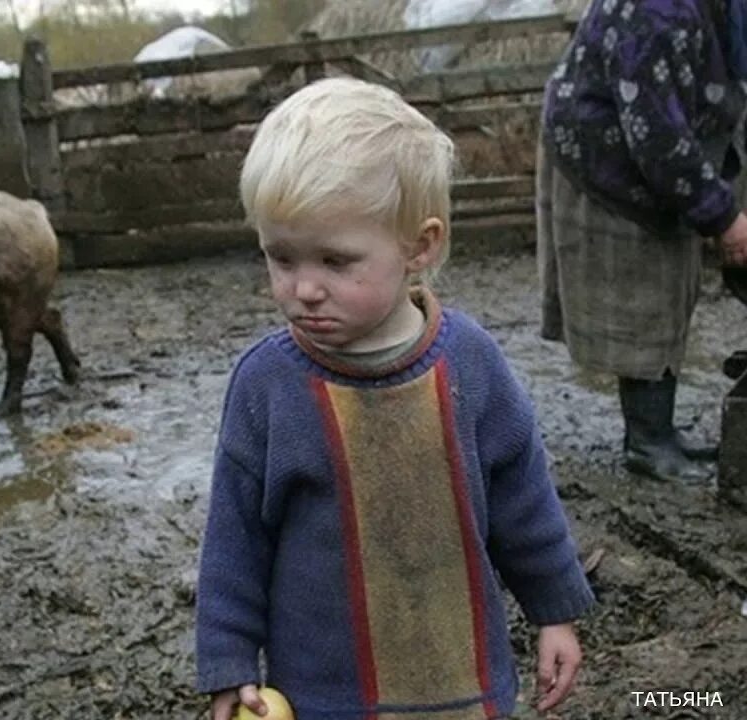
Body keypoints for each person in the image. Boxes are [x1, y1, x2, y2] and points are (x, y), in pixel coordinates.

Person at [194, 78, 596, 720]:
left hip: (462, 676)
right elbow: (235, 539)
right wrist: (228, 663)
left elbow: (525, 499)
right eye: (281, 257)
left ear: (421, 245)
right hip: (325, 692)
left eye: (335, 259)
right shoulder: (267, 385)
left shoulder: (470, 364)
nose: (304, 288)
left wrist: (554, 611)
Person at [539, 0, 747, 483]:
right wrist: (724, 217)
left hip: (669, 141)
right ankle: (649, 443)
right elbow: (656, 136)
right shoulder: (657, 13)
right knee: (642, 294)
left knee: (674, 287)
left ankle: (660, 434)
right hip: (609, 157)